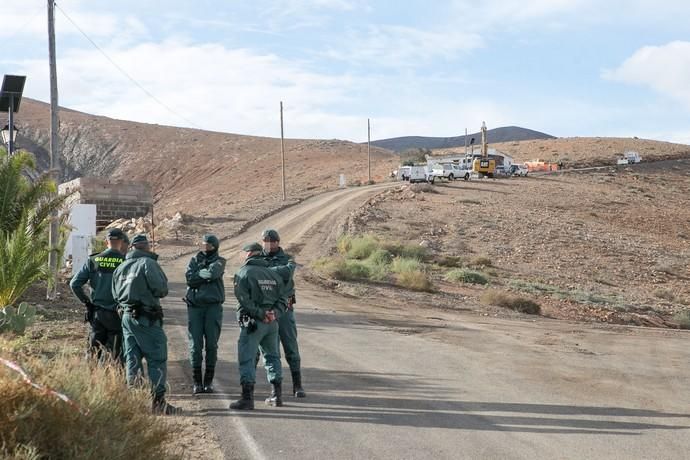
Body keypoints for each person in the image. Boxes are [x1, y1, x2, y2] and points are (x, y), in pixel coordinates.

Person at [112, 233, 181, 415]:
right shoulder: (148, 264)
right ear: (147, 247)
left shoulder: (121, 267)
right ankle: (158, 402)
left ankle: (133, 403)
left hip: (126, 317)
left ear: (132, 247)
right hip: (146, 317)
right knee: (157, 356)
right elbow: (161, 289)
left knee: (132, 359)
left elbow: (115, 295)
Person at [229, 242, 294, 410]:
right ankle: (276, 396)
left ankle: (247, 398)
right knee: (272, 357)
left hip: (253, 323)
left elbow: (243, 299)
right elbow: (284, 298)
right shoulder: (273, 274)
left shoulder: (244, 272)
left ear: (249, 254)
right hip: (272, 323)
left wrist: (260, 314)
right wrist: (274, 313)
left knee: (247, 358)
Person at [259, 228, 306, 398]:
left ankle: (297, 385)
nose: (269, 244)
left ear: (278, 242)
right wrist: (276, 272)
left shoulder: (288, 259)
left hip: (285, 309)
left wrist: (265, 273)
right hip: (265, 308)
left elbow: (288, 273)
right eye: (266, 241)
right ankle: (270, 388)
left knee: (290, 346)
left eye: (272, 241)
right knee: (266, 350)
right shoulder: (257, 258)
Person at [70, 228, 127, 362]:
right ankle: (115, 380)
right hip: (117, 314)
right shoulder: (125, 262)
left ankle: (94, 379)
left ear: (106, 241)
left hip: (98, 314)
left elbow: (74, 284)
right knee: (116, 354)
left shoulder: (94, 260)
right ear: (122, 242)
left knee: (93, 353)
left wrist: (87, 302)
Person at [184, 234, 226, 394]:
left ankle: (208, 381)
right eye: (203, 246)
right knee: (195, 345)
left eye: (209, 246)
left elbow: (213, 274)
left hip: (213, 307)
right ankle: (197, 382)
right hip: (195, 307)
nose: (205, 249)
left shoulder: (220, 261)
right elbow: (189, 278)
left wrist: (199, 275)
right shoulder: (194, 260)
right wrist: (200, 275)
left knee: (211, 345)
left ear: (215, 247)